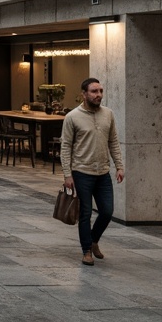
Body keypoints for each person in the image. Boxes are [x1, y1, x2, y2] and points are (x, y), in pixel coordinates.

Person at [60, 77, 125, 266]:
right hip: (81, 172)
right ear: (84, 94)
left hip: (103, 173)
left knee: (107, 212)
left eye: (100, 91)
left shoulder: (108, 114)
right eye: (94, 92)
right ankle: (86, 250)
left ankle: (94, 240)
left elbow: (113, 141)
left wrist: (119, 166)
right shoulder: (72, 117)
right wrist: (67, 174)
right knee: (85, 214)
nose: (99, 95)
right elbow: (66, 147)